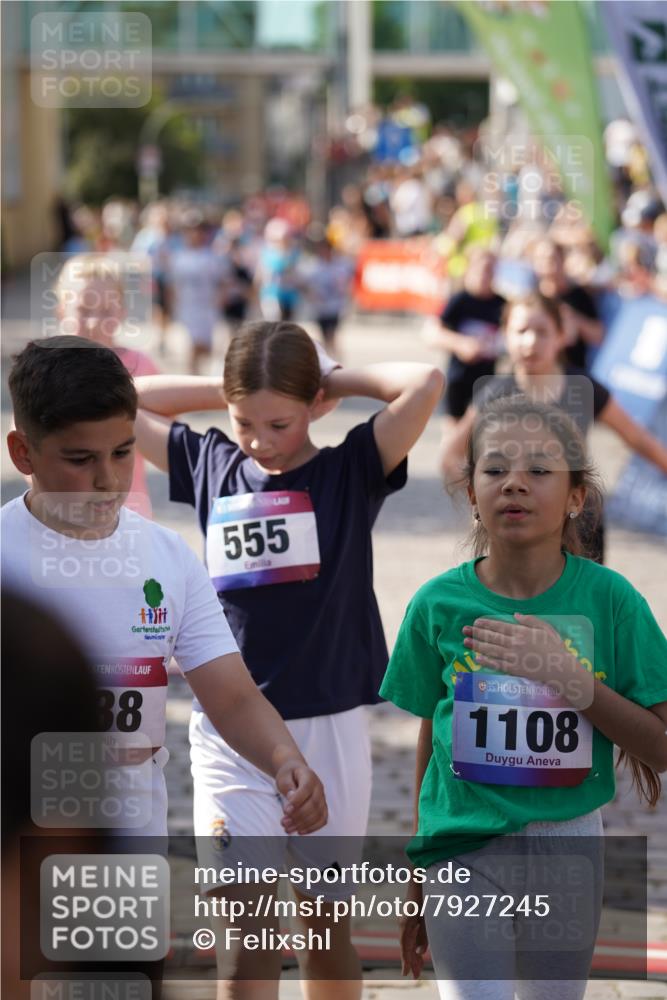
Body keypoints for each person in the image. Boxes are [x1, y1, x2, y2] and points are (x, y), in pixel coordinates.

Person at [133, 320, 444, 997]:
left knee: (321, 925)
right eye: (244, 421)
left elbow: (424, 382)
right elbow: (126, 397)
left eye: (279, 422)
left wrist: (333, 381)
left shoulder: (350, 467)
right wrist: (226, 388)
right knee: (248, 933)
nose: (260, 441)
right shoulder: (211, 461)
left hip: (327, 726)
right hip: (230, 731)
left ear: (315, 407)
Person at [380, 394, 667, 999]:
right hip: (459, 850)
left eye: (539, 469)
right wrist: (416, 874)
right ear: (471, 491)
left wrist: (573, 682)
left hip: (567, 848)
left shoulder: (614, 602)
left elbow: (661, 749)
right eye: (494, 469)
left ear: (575, 498)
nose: (514, 483)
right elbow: (432, 741)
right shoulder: (436, 604)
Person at [2, 336, 327, 843]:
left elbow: (234, 699)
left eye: (123, 452)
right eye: (80, 459)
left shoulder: (168, 558)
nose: (108, 479)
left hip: (127, 854)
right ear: (23, 452)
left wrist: (285, 759)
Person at [440, 293, 667, 562]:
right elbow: (450, 455)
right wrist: (483, 503)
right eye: (521, 331)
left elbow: (636, 436)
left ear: (561, 336)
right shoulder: (494, 394)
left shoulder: (583, 387)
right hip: (518, 522)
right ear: (505, 335)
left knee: (580, 602)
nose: (530, 341)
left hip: (579, 522)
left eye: (542, 332)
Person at [54, 253, 161, 517]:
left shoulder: (140, 365)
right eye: (83, 310)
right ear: (61, 310)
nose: (93, 322)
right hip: (64, 514)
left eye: (105, 311)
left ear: (122, 312)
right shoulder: (47, 369)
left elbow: (167, 428)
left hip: (129, 510)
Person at [422, 248, 505, 422]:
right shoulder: (460, 301)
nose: (484, 275)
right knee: (454, 432)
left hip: (488, 380)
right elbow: (432, 333)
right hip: (459, 378)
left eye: (489, 270)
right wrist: (461, 344)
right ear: (469, 271)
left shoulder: (501, 304)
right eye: (480, 269)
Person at [166, 211, 225, 373]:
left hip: (207, 309)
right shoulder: (178, 257)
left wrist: (219, 301)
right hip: (187, 309)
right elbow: (171, 285)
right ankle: (191, 381)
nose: (196, 234)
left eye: (200, 230)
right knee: (190, 349)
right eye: (191, 230)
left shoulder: (213, 257)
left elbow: (223, 283)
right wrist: (173, 308)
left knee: (206, 349)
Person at [531, 238, 603, 371]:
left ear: (562, 260)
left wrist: (575, 319)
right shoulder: (531, 298)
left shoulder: (578, 295)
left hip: (573, 373)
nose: (547, 263)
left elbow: (599, 335)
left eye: (552, 258)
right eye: (541, 258)